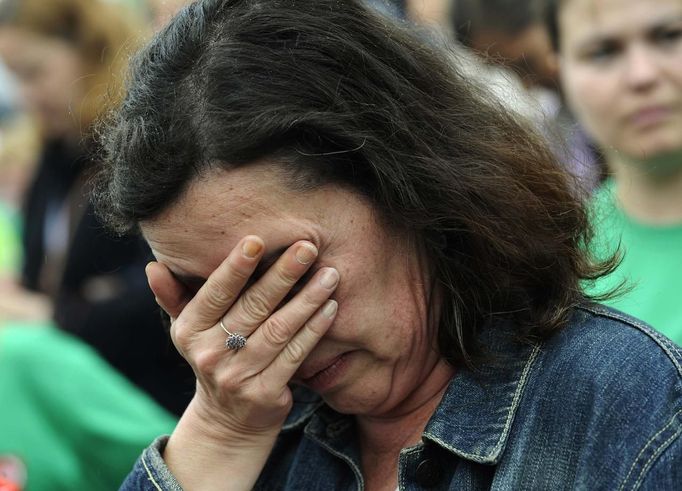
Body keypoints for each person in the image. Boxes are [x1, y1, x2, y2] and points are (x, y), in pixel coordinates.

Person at [94, 0, 682, 488]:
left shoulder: (618, 405)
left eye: (286, 272)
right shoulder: (252, 418)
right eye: (211, 295)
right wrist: (219, 434)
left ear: (405, 185)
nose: (262, 331)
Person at [0, 0, 194, 415]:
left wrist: (53, 316)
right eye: (16, 78)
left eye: (35, 73)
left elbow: (156, 300)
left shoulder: (150, 150)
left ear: (90, 51)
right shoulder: (54, 158)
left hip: (147, 399)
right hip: (72, 389)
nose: (26, 95)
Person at [545, 0, 682, 343]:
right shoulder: (562, 266)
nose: (642, 75)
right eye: (603, 52)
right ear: (560, 72)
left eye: (669, 35)